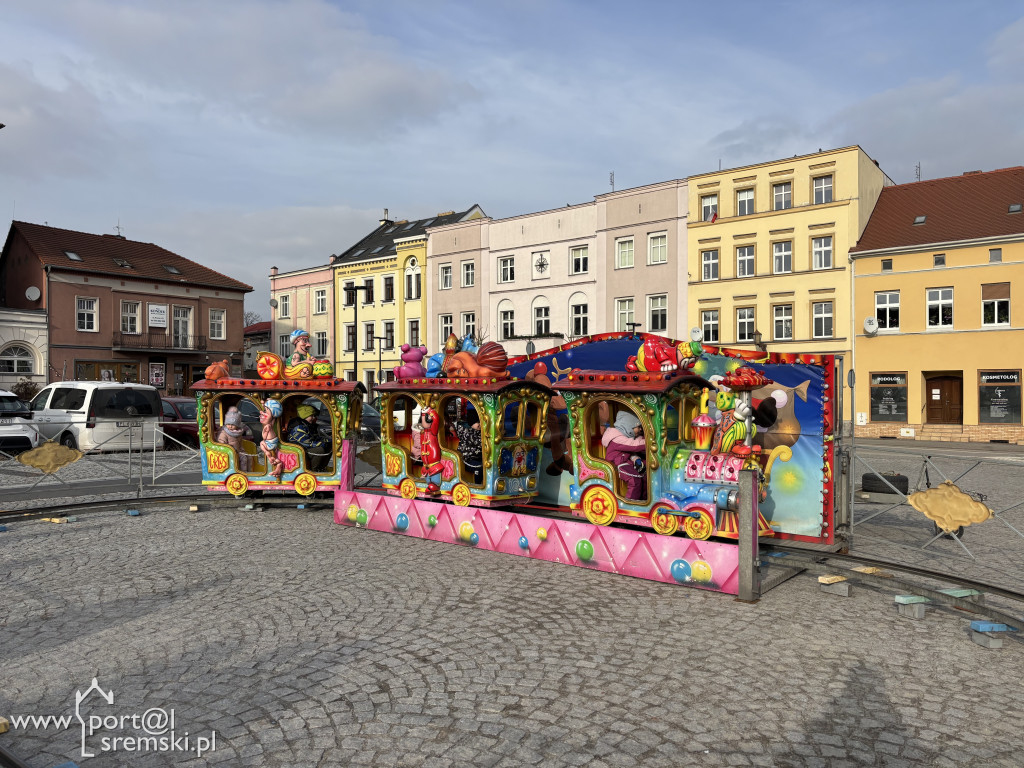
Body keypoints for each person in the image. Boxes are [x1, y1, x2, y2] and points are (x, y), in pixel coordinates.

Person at [601, 410, 647, 501]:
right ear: (629, 427)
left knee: (645, 474)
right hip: (616, 464)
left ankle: (644, 500)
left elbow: (629, 452)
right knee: (634, 479)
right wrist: (649, 442)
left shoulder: (624, 437)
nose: (640, 429)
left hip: (624, 461)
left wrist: (636, 459)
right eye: (638, 427)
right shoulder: (616, 438)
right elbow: (634, 446)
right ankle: (630, 503)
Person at [286, 404, 331, 472]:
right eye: (311, 416)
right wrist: (321, 444)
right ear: (305, 416)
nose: (313, 418)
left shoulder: (306, 425)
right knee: (320, 450)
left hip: (304, 448)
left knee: (329, 446)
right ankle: (314, 470)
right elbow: (306, 442)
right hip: (299, 450)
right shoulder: (299, 427)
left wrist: (326, 440)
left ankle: (321, 467)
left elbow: (314, 437)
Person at [216, 406, 254, 471]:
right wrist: (230, 449)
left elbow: (240, 443)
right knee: (243, 458)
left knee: (249, 457)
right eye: (228, 424)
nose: (230, 426)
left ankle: (250, 472)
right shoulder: (224, 432)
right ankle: (243, 472)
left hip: (238, 451)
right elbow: (221, 442)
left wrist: (242, 450)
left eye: (233, 425)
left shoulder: (238, 432)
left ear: (237, 425)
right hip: (229, 453)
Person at [453, 406, 482, 483]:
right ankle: (477, 485)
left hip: (477, 457)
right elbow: (479, 442)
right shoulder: (468, 432)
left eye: (480, 422)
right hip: (467, 459)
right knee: (479, 467)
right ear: (471, 422)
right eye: (477, 422)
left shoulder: (480, 432)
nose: (479, 424)